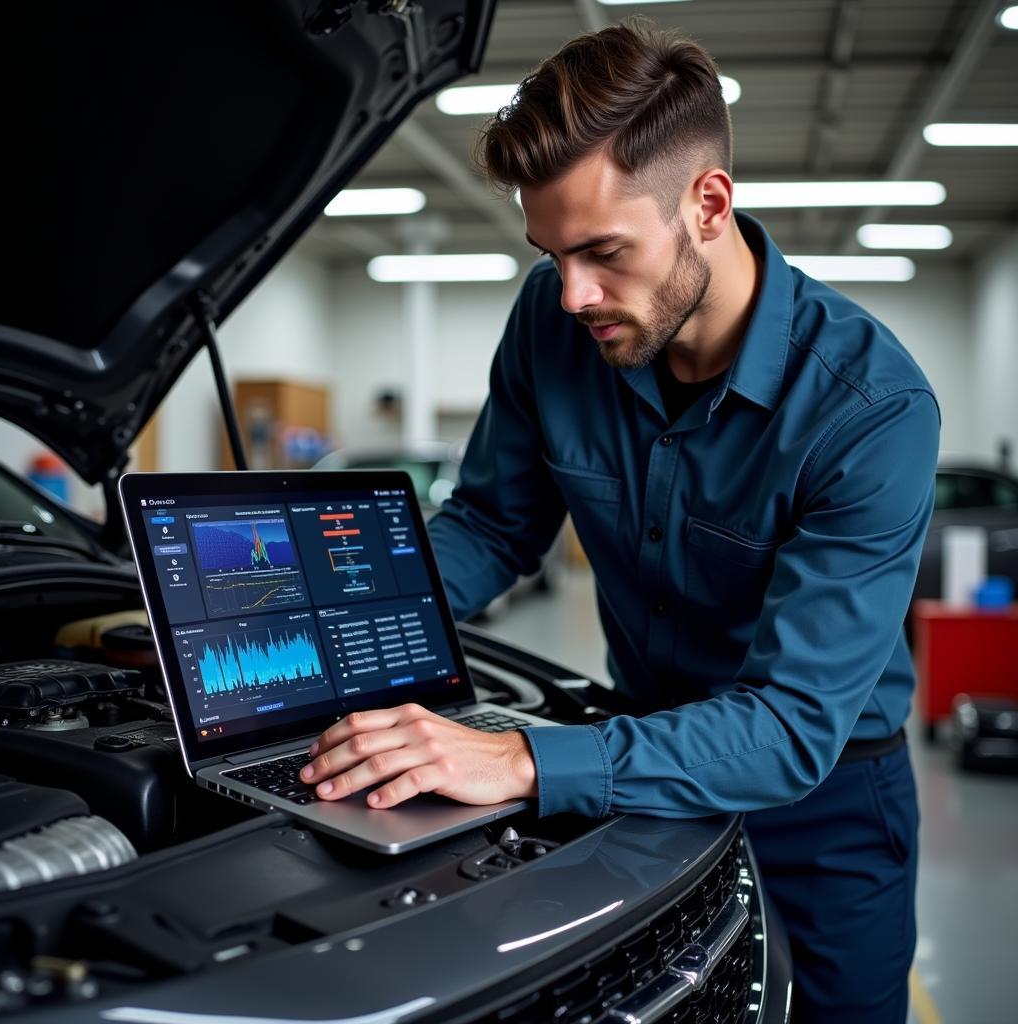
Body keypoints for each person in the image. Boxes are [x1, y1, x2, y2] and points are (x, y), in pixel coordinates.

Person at [300, 22, 939, 1024]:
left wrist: (519, 761)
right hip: (634, 771)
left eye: (602, 252)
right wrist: (327, 626)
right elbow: (492, 524)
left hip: (821, 807)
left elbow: (787, 724)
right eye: (550, 254)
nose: (573, 295)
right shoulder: (553, 322)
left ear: (708, 205)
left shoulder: (871, 409)